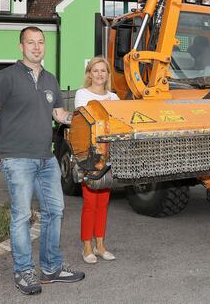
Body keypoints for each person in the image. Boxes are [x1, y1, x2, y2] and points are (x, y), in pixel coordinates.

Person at [0, 26, 85, 295]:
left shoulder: (50, 79)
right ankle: (24, 271)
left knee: (55, 211)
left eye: (40, 42)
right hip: (17, 159)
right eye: (31, 42)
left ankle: (51, 268)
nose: (36, 47)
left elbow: (60, 114)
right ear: (21, 46)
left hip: (46, 158)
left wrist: (85, 116)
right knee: (22, 216)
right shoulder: (6, 78)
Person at [74, 57, 119, 264]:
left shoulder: (115, 97)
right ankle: (87, 247)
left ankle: (100, 245)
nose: (100, 74)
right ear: (89, 74)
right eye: (96, 70)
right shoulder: (82, 95)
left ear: (108, 75)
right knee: (90, 203)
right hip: (90, 155)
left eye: (103, 71)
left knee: (104, 203)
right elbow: (88, 120)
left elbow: (118, 123)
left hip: (110, 154)